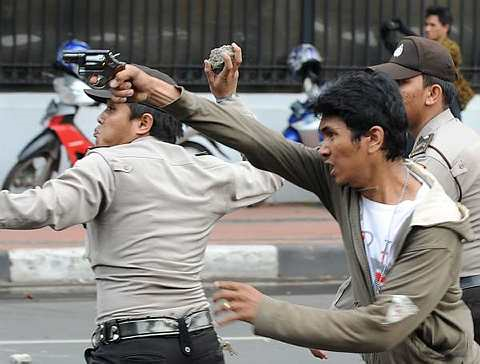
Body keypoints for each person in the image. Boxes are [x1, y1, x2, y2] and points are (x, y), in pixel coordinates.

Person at [107, 46, 480, 363]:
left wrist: (271, 313)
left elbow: (383, 325)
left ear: (372, 139)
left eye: (332, 136)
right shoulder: (341, 181)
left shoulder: (435, 224)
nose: (322, 148)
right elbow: (256, 141)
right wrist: (157, 91)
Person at [0, 65, 283, 364]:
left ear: (143, 123)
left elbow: (37, 207)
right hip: (201, 343)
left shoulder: (106, 163)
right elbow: (271, 169)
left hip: (133, 346)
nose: (100, 118)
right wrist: (228, 101)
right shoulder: (203, 168)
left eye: (110, 109)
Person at [370, 35, 480, 345]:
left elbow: (396, 238)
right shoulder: (455, 135)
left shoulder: (437, 156)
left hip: (467, 297)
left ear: (432, 94)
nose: (390, 92)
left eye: (401, 83)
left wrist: (342, 315)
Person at [424, 5, 474, 110]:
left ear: (445, 27)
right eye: (426, 24)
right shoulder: (429, 45)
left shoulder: (451, 48)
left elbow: (434, 59)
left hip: (451, 98)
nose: (427, 29)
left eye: (432, 25)